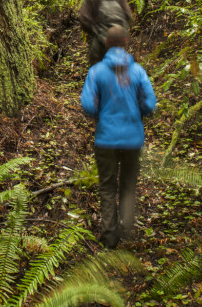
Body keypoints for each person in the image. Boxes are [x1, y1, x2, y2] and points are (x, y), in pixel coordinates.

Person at [80, 25, 156, 249]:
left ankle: (110, 236)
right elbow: (150, 104)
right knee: (129, 186)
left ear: (106, 45)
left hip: (105, 140)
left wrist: (100, 112)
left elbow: (87, 104)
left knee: (107, 187)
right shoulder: (138, 71)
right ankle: (128, 231)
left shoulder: (96, 72)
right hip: (133, 140)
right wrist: (138, 111)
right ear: (125, 43)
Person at [77, 0, 132, 67]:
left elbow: (84, 20)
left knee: (96, 66)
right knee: (121, 68)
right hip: (121, 39)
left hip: (102, 41)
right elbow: (128, 15)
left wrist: (95, 31)